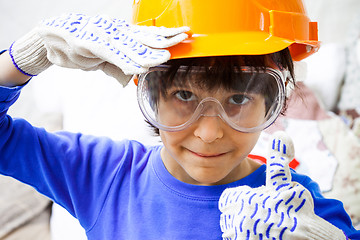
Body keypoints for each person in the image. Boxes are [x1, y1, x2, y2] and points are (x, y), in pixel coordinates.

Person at [0, 0, 359, 239]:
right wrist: (22, 58)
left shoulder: (295, 208)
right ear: (149, 92)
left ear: (273, 101)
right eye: (184, 95)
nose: (209, 132)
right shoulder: (103, 173)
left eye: (238, 99)